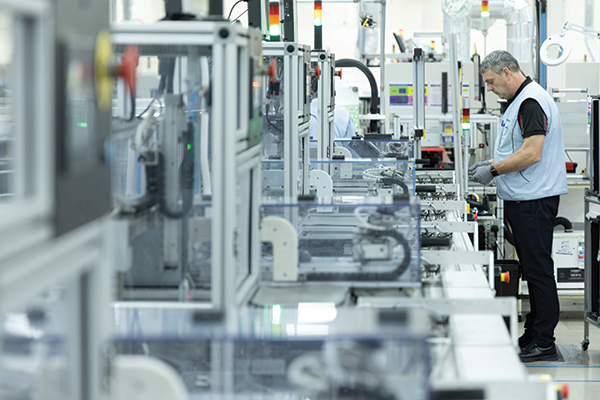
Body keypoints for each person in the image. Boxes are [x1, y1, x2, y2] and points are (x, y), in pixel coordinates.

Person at [469, 50, 567, 362]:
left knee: (538, 270)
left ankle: (544, 340)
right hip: (524, 198)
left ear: (507, 72)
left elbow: (532, 152)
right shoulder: (521, 101)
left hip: (533, 200)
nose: (490, 88)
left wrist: (494, 170)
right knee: (532, 268)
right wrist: (494, 163)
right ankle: (534, 333)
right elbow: (518, 147)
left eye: (491, 81)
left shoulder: (530, 102)